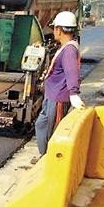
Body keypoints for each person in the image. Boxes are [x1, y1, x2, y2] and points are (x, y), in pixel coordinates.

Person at [34, 11, 85, 157]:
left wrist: (74, 94)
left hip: (58, 99)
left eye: (55, 28)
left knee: (53, 132)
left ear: (59, 30)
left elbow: (71, 72)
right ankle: (44, 156)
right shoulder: (66, 46)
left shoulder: (69, 50)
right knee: (41, 125)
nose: (54, 31)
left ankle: (49, 159)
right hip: (51, 97)